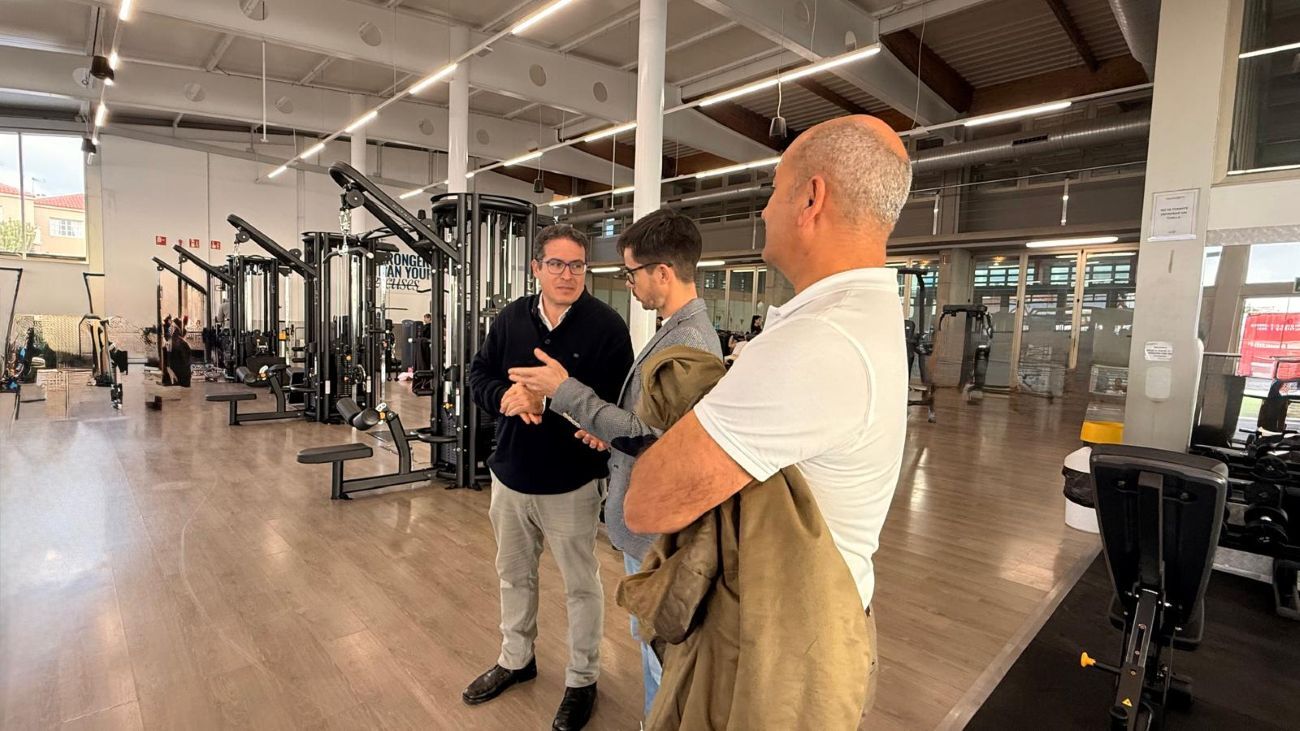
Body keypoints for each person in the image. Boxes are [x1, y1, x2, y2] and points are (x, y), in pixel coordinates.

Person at [623, 115, 914, 717]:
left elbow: (648, 502)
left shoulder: (819, 341)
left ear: (811, 199)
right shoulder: (865, 315)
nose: (763, 210)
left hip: (783, 645)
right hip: (807, 618)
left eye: (775, 190)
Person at [507, 209, 722, 721]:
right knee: (649, 647)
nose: (630, 284)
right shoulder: (676, 330)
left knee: (656, 656)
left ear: (661, 273)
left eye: (632, 273)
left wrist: (566, 393)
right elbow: (650, 428)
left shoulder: (687, 342)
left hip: (652, 528)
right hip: (625, 508)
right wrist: (608, 433)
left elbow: (657, 445)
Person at [464, 224, 633, 731]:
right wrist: (505, 399)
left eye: (577, 265)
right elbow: (478, 375)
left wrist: (556, 403)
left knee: (582, 587)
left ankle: (583, 680)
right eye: (556, 264)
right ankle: (517, 659)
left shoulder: (607, 326)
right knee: (514, 575)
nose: (567, 274)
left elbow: (618, 407)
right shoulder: (512, 318)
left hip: (574, 485)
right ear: (535, 267)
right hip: (510, 478)